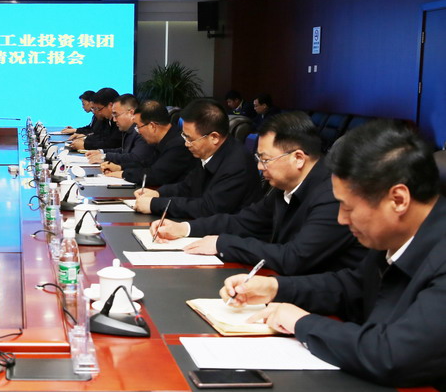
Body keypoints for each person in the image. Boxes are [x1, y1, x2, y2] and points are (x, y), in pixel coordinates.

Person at [220, 120, 446, 389]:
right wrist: (274, 288)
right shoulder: (395, 236)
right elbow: (351, 287)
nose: (341, 219)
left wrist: (301, 323)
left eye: (347, 207)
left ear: (398, 200)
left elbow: (394, 354)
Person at [151, 112, 366, 275]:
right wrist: (184, 228)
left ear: (298, 158)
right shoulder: (284, 185)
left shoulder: (333, 195)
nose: (260, 167)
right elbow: (245, 221)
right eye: (259, 159)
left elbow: (294, 257)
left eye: (265, 160)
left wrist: (222, 244)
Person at [133, 99, 261, 218]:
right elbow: (188, 186)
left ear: (214, 137)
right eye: (184, 136)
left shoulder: (236, 164)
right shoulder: (209, 152)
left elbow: (208, 209)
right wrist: (158, 193)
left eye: (190, 139)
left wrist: (155, 204)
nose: (186, 144)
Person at [103, 100, 196, 187]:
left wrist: (123, 174)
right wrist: (120, 167)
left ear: (152, 126)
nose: (138, 132)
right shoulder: (163, 140)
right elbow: (146, 163)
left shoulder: (178, 145)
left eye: (138, 127)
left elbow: (155, 175)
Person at [86, 94, 155, 169]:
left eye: (116, 115)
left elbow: (135, 158)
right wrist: (101, 152)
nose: (114, 120)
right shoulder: (129, 130)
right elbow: (124, 150)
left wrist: (105, 157)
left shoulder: (141, 131)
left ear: (131, 113)